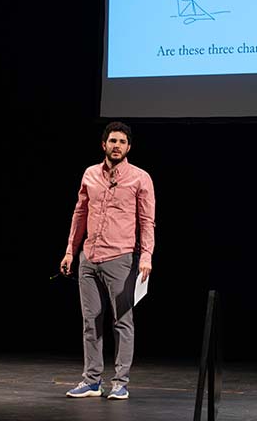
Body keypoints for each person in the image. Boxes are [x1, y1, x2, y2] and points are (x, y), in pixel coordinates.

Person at [59, 121, 155, 400]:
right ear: (104, 144)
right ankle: (91, 380)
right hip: (89, 257)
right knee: (91, 321)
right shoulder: (90, 174)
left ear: (129, 147)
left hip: (120, 257)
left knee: (122, 322)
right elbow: (80, 213)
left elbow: (147, 221)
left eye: (122, 142)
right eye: (113, 141)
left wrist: (146, 255)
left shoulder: (140, 178)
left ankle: (120, 382)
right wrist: (70, 251)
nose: (117, 146)